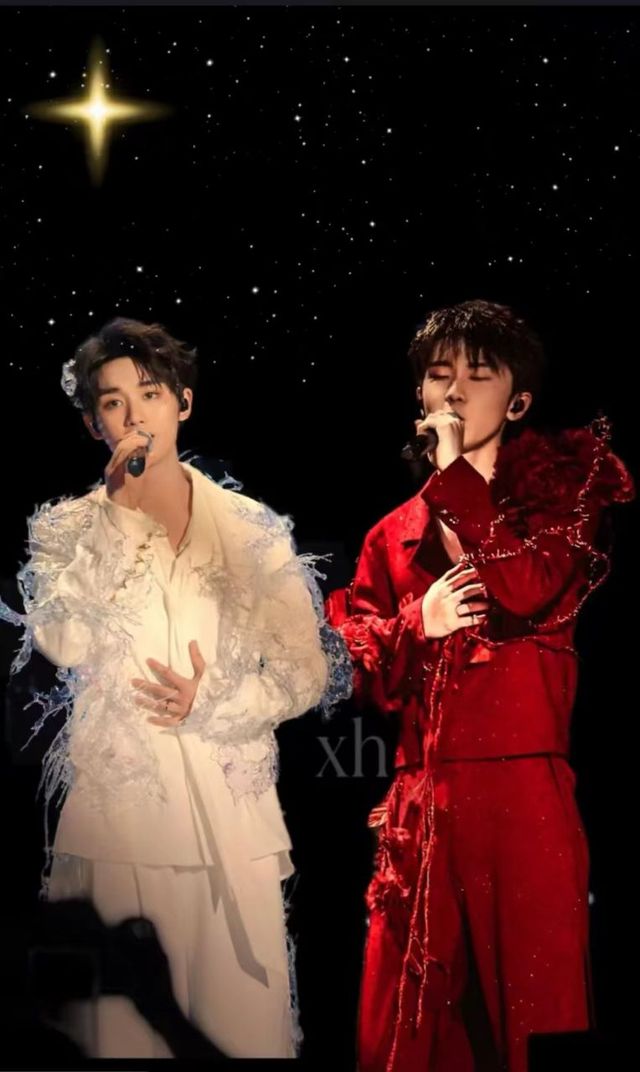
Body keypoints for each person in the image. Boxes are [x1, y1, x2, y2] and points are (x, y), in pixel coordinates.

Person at [0, 318, 349, 1059]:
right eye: (113, 402)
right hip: (121, 819)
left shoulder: (250, 526)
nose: (135, 416)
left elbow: (304, 671)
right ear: (94, 424)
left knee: (238, 1033)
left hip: (231, 818)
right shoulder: (67, 528)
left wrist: (214, 703)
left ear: (183, 403)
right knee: (122, 1036)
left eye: (150, 394)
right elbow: (64, 643)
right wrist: (117, 522)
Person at [326, 299, 634, 1072]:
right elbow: (355, 673)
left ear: (518, 401)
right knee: (406, 1036)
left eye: (479, 374)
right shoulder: (389, 535)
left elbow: (528, 587)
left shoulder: (564, 500)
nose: (456, 391)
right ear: (419, 397)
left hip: (523, 799)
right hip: (422, 807)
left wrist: (454, 479)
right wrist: (416, 623)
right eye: (440, 376)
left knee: (533, 1025)